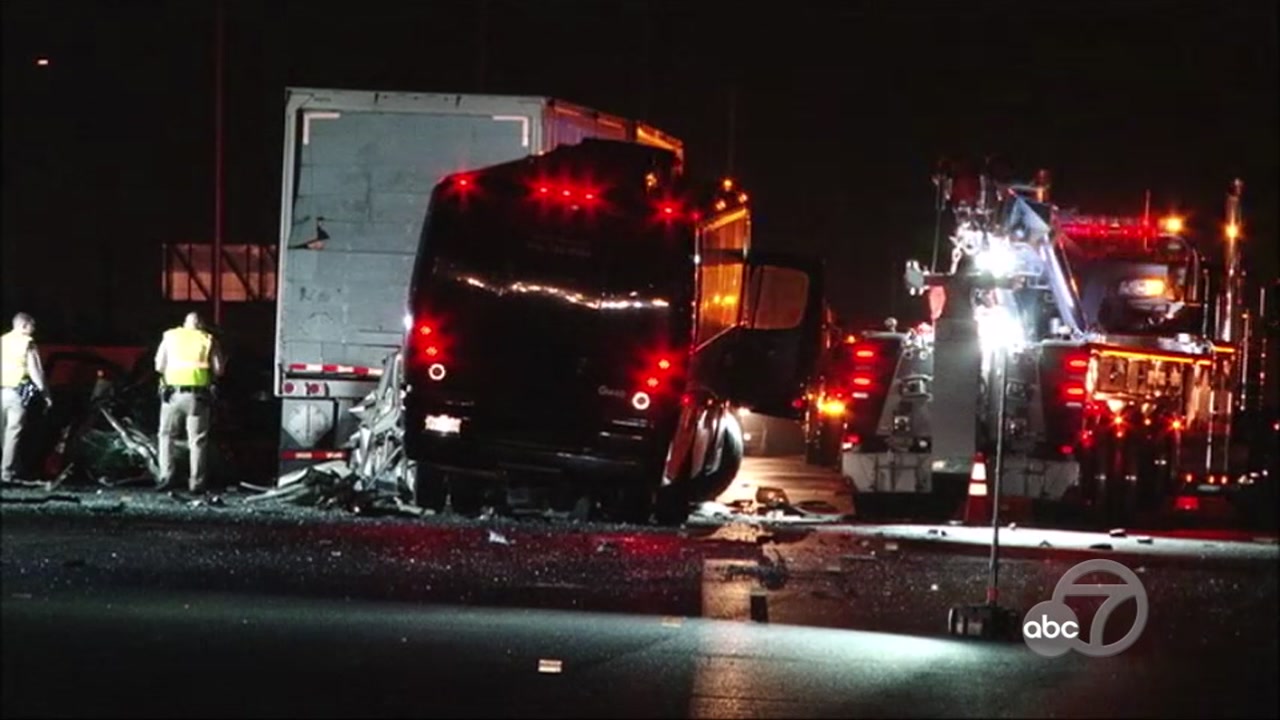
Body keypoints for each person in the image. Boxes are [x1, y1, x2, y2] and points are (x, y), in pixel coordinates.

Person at [154, 312, 224, 493]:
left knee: (166, 436)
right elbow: (219, 369)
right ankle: (196, 483)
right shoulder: (207, 339)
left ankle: (166, 476)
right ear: (201, 324)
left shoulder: (170, 337)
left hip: (172, 395)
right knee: (197, 441)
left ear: (184, 323)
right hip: (197, 398)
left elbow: (159, 366)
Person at [1, 312, 50, 483]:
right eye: (32, 325)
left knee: (2, 432)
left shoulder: (3, 340)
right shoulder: (27, 343)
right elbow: (35, 371)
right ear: (24, 326)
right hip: (16, 393)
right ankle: (6, 472)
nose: (34, 329)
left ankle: (13, 467)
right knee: (13, 432)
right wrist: (45, 393)